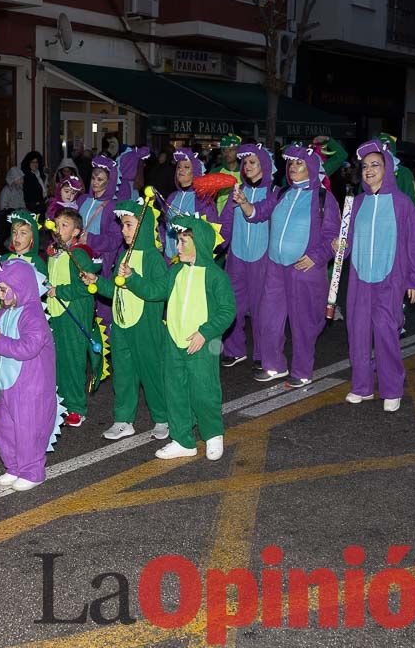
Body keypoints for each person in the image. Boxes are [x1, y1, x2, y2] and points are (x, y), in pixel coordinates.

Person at [122, 215, 235, 461]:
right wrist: (132, 278)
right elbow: (154, 292)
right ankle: (183, 440)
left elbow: (228, 311)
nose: (178, 246)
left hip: (201, 345)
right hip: (174, 343)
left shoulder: (215, 276)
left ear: (201, 244)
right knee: (175, 392)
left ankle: (213, 434)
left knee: (204, 391)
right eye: (179, 241)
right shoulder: (176, 272)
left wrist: (205, 333)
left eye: (184, 241)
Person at [235, 145, 340, 388]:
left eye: (299, 164)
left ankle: (302, 371)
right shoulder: (282, 193)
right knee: (268, 318)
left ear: (311, 168)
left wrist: (316, 256)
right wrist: (243, 203)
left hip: (304, 269)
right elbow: (258, 213)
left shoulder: (324, 198)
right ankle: (274, 366)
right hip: (275, 267)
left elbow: (334, 237)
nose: (293, 168)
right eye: (291, 164)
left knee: (303, 323)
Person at [343, 141, 415, 412]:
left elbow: (414, 243)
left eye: (375, 165)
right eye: (365, 166)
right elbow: (348, 240)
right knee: (357, 332)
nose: (369, 170)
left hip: (390, 277)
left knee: (385, 332)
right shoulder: (357, 203)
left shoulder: (401, 203)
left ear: (387, 168)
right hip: (359, 278)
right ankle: (362, 387)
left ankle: (392, 388)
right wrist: (339, 248)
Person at [83, 199, 169, 442]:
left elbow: (159, 291)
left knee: (152, 373)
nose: (124, 231)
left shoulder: (153, 257)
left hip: (145, 327)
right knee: (123, 375)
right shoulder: (124, 254)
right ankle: (123, 420)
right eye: (123, 225)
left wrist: (133, 279)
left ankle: (163, 418)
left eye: (129, 225)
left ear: (143, 227)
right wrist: (97, 282)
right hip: (121, 325)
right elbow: (117, 291)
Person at [0, 258, 61, 492]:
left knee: (28, 429)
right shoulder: (6, 311)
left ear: (20, 287)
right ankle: (14, 466)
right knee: (5, 427)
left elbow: (29, 347)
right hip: (10, 382)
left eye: (3, 290)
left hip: (32, 385)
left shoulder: (32, 314)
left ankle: (32, 470)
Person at [219, 143, 274, 369]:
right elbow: (224, 225)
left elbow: (260, 213)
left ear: (264, 165)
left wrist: (244, 203)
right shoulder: (236, 190)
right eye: (245, 163)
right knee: (233, 306)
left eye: (253, 162)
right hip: (237, 257)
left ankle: (263, 353)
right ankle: (234, 349)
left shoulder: (275, 191)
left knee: (263, 309)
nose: (247, 166)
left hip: (263, 258)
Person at [45, 208, 100, 428]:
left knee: (74, 360)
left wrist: (59, 291)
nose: (58, 230)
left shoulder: (78, 255)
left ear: (76, 231)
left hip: (73, 313)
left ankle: (77, 407)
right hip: (55, 312)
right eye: (56, 225)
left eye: (64, 226)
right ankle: (62, 403)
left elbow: (86, 287)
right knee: (59, 361)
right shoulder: (54, 253)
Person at [161, 148, 215, 261]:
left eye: (186, 167)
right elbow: (165, 225)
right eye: (179, 167)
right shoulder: (172, 197)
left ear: (195, 172)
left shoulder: (203, 198)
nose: (181, 170)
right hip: (170, 257)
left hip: (192, 258)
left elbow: (210, 230)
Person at [77, 155, 124, 281]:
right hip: (78, 255)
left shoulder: (113, 207)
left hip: (99, 261)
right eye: (93, 178)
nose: (95, 182)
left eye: (100, 179)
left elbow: (115, 240)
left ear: (109, 181)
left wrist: (90, 239)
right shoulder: (82, 200)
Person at [376, 134, 415, 207]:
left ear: (393, 150)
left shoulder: (404, 173)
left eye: (387, 146)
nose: (384, 150)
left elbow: (414, 201)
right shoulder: (369, 172)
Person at [4, 209, 48, 277]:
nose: (17, 237)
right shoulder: (5, 259)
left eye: (23, 233)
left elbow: (46, 285)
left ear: (32, 238)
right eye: (14, 232)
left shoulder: (37, 263)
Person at [210, 134, 242, 213]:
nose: (227, 153)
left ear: (237, 151)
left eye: (231, 150)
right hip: (220, 217)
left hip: (240, 217)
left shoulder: (246, 172)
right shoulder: (216, 172)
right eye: (224, 150)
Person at [21, 151, 47, 216]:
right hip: (33, 207)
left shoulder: (40, 174)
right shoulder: (27, 177)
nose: (35, 164)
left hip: (42, 205)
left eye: (36, 162)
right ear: (28, 163)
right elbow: (28, 194)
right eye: (32, 162)